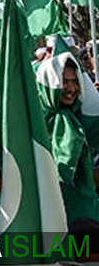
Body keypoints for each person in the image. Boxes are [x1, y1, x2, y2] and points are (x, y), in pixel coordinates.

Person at [35, 52, 99, 233]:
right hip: (49, 215)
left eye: (75, 81)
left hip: (85, 211)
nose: (71, 88)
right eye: (64, 81)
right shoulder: (34, 121)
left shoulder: (81, 116)